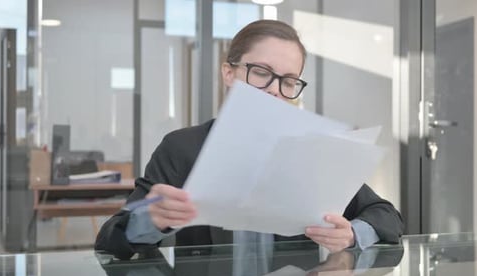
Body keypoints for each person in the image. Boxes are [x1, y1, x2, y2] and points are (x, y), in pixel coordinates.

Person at [95, 19, 404, 260]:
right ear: (228, 73)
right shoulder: (181, 147)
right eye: (261, 72)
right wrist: (151, 220)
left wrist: (351, 233)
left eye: (288, 81)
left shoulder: (315, 150)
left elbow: (386, 215)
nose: (274, 89)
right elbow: (110, 239)